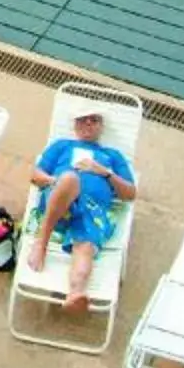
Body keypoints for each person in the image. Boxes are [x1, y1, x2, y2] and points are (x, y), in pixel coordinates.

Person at [28, 107, 137, 315]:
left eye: (94, 120)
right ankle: (42, 242)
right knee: (70, 178)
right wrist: (57, 182)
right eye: (83, 119)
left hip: (92, 213)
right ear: (75, 125)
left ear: (101, 127)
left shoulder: (112, 156)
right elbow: (35, 175)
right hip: (57, 203)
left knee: (86, 245)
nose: (88, 123)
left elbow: (130, 193)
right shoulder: (62, 145)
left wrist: (105, 173)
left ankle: (76, 293)